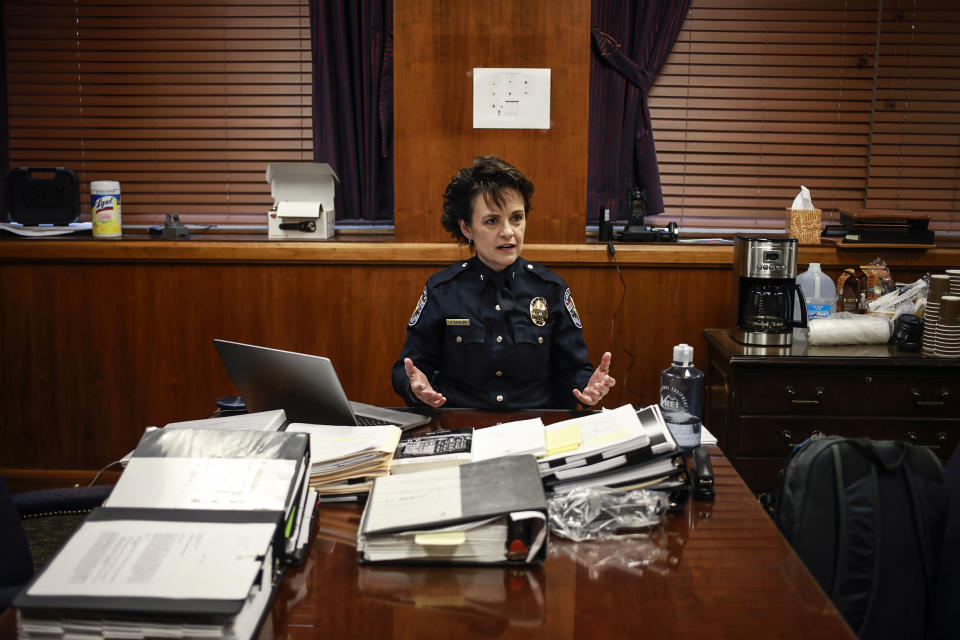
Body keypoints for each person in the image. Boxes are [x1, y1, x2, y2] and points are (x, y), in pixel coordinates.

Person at [391, 156, 615, 410]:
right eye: (492, 220)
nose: (508, 231)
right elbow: (406, 369)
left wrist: (587, 386)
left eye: (516, 218)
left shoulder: (551, 289)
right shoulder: (443, 290)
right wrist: (414, 385)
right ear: (466, 228)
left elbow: (574, 370)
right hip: (464, 427)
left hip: (535, 429)